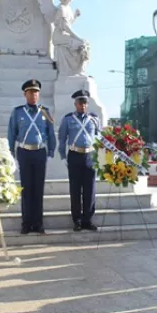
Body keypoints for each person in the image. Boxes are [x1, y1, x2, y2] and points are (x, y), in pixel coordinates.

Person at [7, 79, 56, 234]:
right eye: (30, 92)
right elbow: (11, 133)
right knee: (26, 188)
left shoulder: (45, 112)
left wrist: (51, 151)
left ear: (38, 94)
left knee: (38, 189)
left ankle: (38, 223)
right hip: (24, 152)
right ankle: (26, 223)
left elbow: (50, 133)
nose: (33, 95)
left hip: (40, 152)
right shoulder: (18, 112)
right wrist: (11, 152)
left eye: (36, 92)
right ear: (25, 94)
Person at [58, 89, 100, 231]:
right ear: (75, 104)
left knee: (90, 189)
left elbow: (99, 138)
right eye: (80, 103)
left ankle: (87, 219)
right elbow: (62, 139)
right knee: (75, 189)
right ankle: (77, 220)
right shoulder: (68, 119)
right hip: (74, 155)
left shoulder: (94, 119)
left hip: (90, 156)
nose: (82, 105)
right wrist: (63, 156)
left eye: (85, 103)